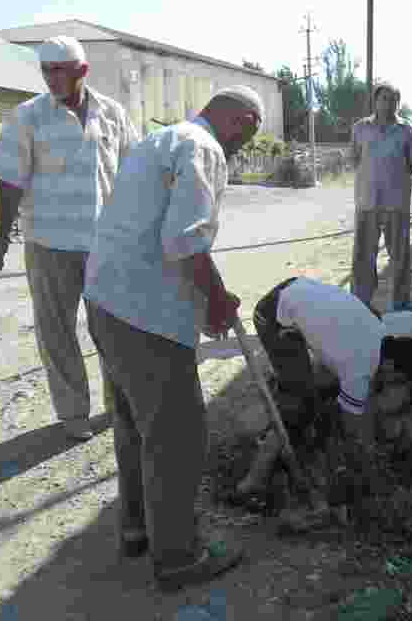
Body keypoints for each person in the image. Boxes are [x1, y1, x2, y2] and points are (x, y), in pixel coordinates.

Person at [82, 86, 262, 591]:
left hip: (106, 303)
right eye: (248, 136)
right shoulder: (204, 149)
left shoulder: (162, 140)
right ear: (243, 121)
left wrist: (203, 303)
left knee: (134, 426)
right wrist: (220, 300)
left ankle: (137, 528)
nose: (243, 148)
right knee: (177, 436)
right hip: (143, 316)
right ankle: (180, 557)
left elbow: (165, 236)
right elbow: (185, 239)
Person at [0, 36, 139, 441]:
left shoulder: (112, 113)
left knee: (113, 329)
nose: (50, 78)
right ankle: (73, 414)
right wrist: (0, 239)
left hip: (106, 243)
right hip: (49, 243)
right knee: (57, 332)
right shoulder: (27, 117)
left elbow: (132, 175)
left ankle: (118, 407)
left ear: (81, 71)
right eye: (45, 71)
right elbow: (9, 182)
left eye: (58, 71)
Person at [242, 277, 412, 501]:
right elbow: (353, 426)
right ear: (390, 365)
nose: (392, 384)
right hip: (273, 314)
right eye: (397, 379)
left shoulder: (379, 330)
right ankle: (253, 481)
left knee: (318, 391)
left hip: (298, 289)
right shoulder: (359, 367)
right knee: (297, 406)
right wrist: (371, 465)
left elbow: (361, 401)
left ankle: (298, 436)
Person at [349, 82, 412, 312]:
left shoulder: (407, 131)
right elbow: (354, 159)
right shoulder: (360, 128)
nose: (388, 103)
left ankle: (400, 303)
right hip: (367, 201)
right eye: (383, 99)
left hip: (396, 203)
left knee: (400, 257)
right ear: (375, 101)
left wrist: (394, 177)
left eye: (392, 100)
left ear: (397, 104)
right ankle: (360, 302)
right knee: (363, 256)